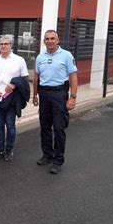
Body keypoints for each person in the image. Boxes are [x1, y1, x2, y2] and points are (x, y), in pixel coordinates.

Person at [33, 30, 78, 174]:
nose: (50, 41)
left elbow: (73, 76)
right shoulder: (40, 57)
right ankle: (47, 155)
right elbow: (36, 78)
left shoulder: (66, 55)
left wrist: (73, 97)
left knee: (59, 128)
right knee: (45, 127)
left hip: (59, 94)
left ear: (58, 40)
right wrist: (35, 95)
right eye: (47, 39)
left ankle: (58, 161)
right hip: (44, 94)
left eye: (53, 38)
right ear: (43, 41)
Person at [0, 35, 29, 162]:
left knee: (10, 125)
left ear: (11, 45)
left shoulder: (19, 60)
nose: (3, 46)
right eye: (1, 44)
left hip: (11, 99)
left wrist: (14, 84)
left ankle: (9, 150)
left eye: (6, 44)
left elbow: (24, 78)